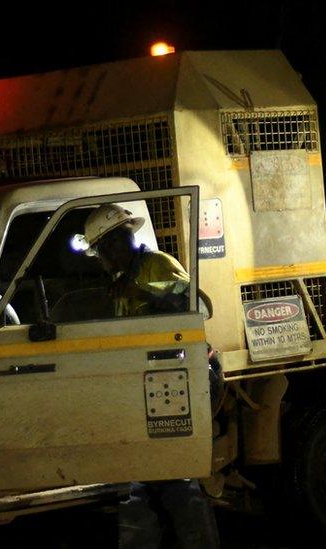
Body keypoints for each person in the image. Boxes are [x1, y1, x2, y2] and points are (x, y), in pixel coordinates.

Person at [83, 204, 219, 549]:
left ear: (116, 243)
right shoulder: (123, 279)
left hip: (181, 380)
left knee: (171, 476)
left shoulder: (157, 265)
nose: (99, 258)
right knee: (145, 478)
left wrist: (143, 294)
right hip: (154, 387)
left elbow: (200, 306)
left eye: (100, 249)